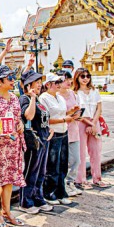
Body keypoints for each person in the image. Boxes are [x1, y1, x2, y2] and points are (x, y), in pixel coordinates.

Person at [0, 65, 27, 227]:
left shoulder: (14, 98)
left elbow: (17, 117)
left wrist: (20, 123)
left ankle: (7, 211)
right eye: (9, 78)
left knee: (9, 179)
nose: (13, 81)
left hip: (13, 145)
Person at [18, 70, 52, 214]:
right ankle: (26, 200)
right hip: (33, 140)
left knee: (41, 171)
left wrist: (50, 129)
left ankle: (38, 196)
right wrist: (32, 98)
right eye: (36, 83)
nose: (39, 85)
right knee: (31, 170)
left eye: (39, 83)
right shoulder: (25, 99)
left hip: (44, 138)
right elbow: (29, 116)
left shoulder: (38, 99)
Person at [40, 74, 74, 206]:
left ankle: (61, 192)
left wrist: (71, 113)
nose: (59, 84)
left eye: (60, 81)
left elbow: (62, 113)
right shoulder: (44, 98)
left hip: (63, 131)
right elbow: (45, 119)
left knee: (63, 164)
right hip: (53, 133)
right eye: (56, 82)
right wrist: (64, 119)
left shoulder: (59, 97)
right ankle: (49, 193)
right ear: (48, 84)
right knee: (52, 166)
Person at [74, 68, 110, 188]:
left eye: (87, 76)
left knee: (96, 151)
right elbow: (76, 113)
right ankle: (81, 180)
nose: (85, 79)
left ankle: (97, 178)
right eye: (82, 76)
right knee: (81, 153)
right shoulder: (75, 93)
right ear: (77, 78)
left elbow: (99, 108)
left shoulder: (94, 91)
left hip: (94, 122)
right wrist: (88, 124)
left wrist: (93, 123)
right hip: (81, 122)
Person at [58, 70, 83, 197]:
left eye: (69, 79)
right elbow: (56, 115)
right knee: (63, 161)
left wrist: (77, 114)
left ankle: (70, 182)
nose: (68, 82)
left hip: (74, 129)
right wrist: (69, 113)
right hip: (62, 130)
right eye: (64, 80)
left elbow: (77, 108)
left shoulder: (73, 94)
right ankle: (63, 185)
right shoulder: (56, 96)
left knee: (76, 160)